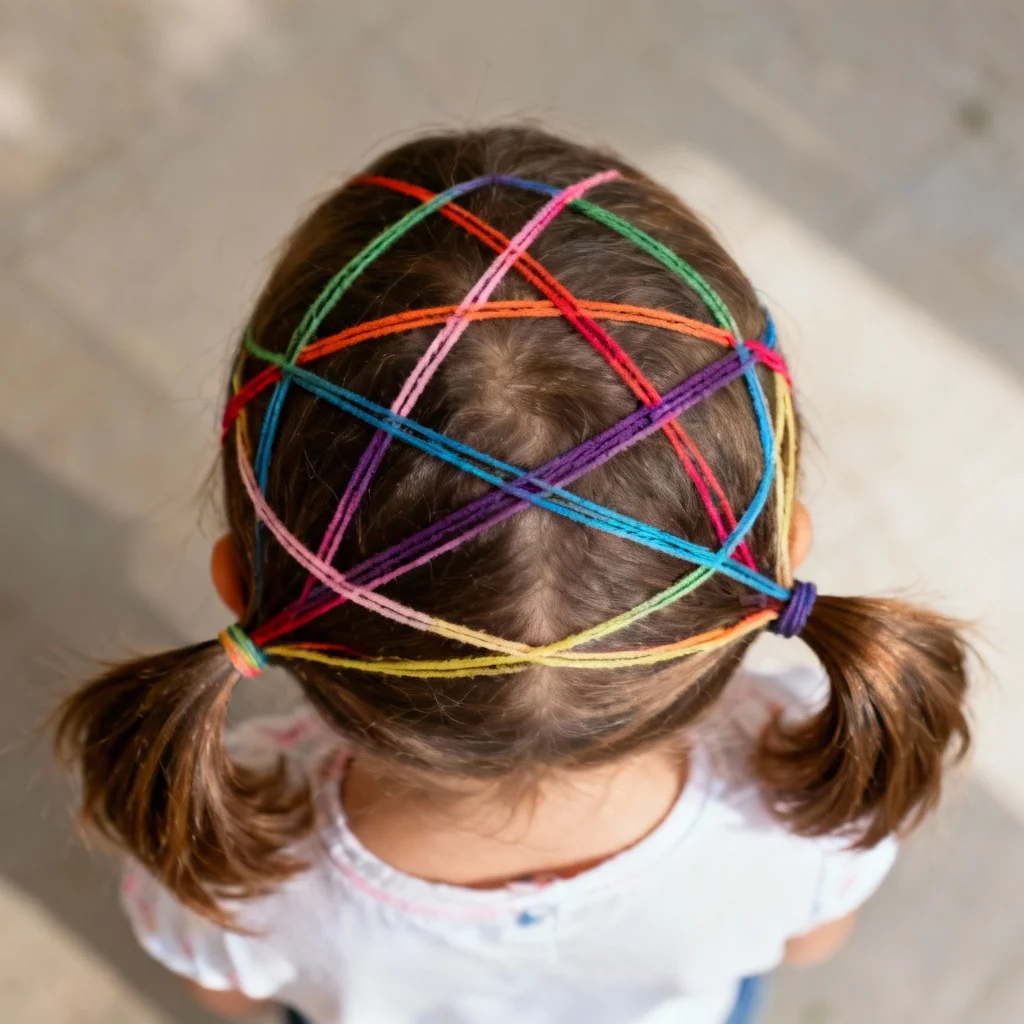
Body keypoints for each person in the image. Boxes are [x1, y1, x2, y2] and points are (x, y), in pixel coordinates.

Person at [56, 126, 970, 1024]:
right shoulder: (800, 806)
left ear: (241, 585)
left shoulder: (235, 864)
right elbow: (810, 944)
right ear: (787, 546)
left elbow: (226, 997)